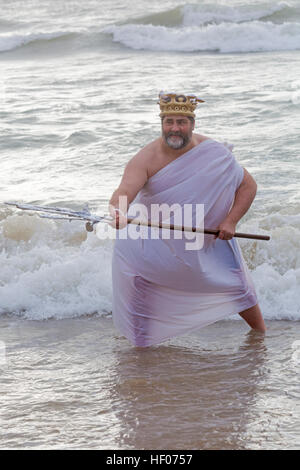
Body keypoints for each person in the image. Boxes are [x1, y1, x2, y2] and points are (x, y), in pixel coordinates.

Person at [109, 92, 266, 347]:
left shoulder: (214, 153)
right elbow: (123, 192)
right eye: (169, 122)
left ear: (192, 124)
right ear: (161, 123)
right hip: (152, 243)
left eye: (181, 122)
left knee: (235, 282)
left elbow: (248, 186)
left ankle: (261, 335)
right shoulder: (145, 159)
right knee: (139, 284)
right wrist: (118, 211)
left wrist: (230, 221)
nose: (174, 128)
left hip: (203, 240)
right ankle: (140, 349)